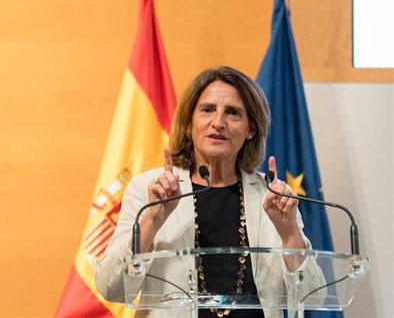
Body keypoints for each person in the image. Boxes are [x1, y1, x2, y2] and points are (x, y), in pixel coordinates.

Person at [96, 66, 324, 318]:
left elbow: (312, 297)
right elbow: (111, 287)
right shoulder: (149, 190)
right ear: (189, 122)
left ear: (251, 129)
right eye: (207, 110)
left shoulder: (271, 195)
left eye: (233, 113)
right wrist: (151, 222)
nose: (218, 123)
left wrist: (289, 234)